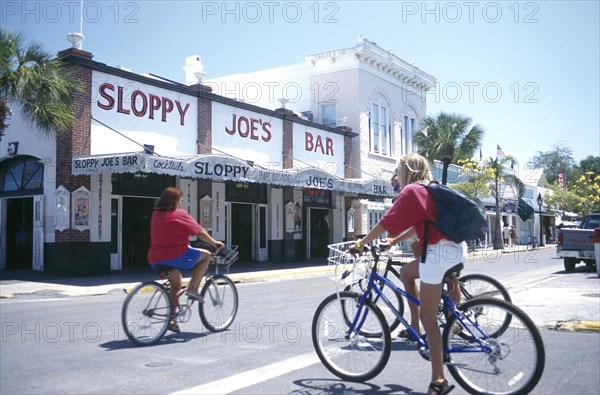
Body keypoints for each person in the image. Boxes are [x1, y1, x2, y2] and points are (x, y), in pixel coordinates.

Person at [354, 153, 463, 395]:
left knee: (429, 317)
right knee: (405, 272)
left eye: (398, 170)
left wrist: (362, 243)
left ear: (406, 171)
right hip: (454, 249)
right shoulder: (430, 188)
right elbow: (418, 226)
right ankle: (427, 325)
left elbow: (386, 221)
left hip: (437, 253)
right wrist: (393, 241)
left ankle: (439, 380)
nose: (397, 175)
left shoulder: (411, 190)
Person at [148, 187, 224, 333]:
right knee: (206, 255)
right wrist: (215, 243)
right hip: (176, 255)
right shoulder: (180, 214)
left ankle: (172, 319)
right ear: (175, 201)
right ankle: (193, 289)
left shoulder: (155, 214)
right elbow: (200, 232)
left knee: (175, 286)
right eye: (180, 200)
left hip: (155, 258)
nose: (181, 203)